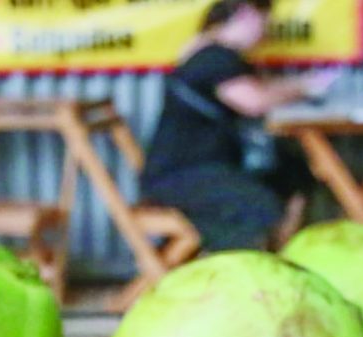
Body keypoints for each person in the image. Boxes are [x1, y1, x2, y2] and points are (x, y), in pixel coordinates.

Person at [140, 0, 339, 251]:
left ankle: (281, 257)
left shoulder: (210, 53)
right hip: (184, 176)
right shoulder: (215, 55)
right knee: (260, 206)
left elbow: (259, 90)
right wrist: (306, 87)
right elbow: (254, 100)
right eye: (262, 19)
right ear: (243, 14)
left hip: (195, 170)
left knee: (294, 173)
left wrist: (297, 86)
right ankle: (235, 270)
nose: (265, 29)